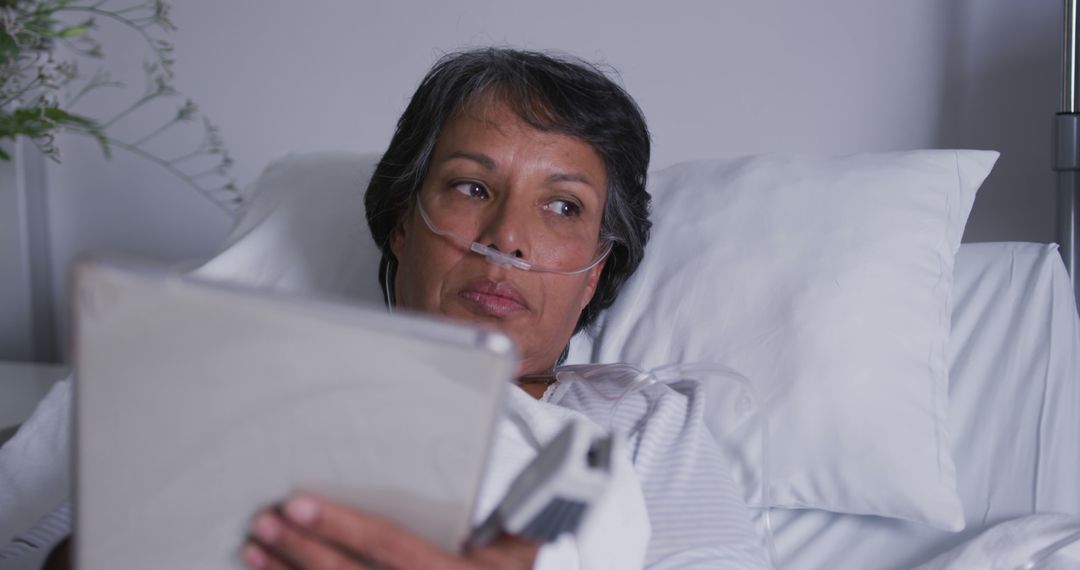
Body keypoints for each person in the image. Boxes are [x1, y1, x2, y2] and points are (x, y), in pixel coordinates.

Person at [240, 49, 769, 569]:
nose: (508, 238)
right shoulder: (270, 377)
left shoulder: (640, 425)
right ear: (403, 224)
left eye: (563, 207)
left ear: (594, 273)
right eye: (472, 188)